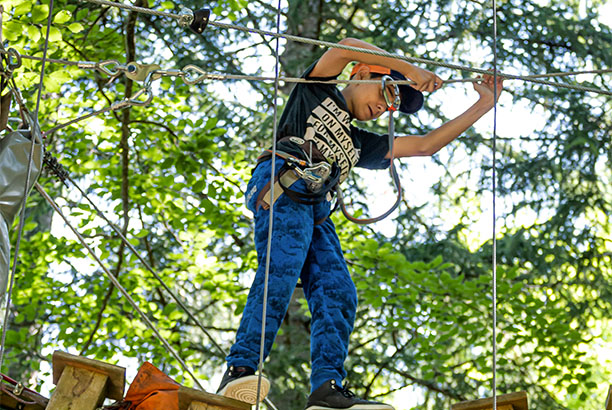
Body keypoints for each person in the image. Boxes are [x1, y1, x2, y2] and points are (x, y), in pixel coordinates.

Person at [216, 37, 503, 409]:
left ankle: (326, 388)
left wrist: (484, 103)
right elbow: (344, 46)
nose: (383, 109)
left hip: (315, 205)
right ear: (362, 71)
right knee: (281, 265)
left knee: (338, 290)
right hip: (284, 183)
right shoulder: (317, 90)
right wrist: (410, 70)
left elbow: (426, 144)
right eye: (385, 93)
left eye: (391, 108)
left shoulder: (358, 142)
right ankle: (240, 369)